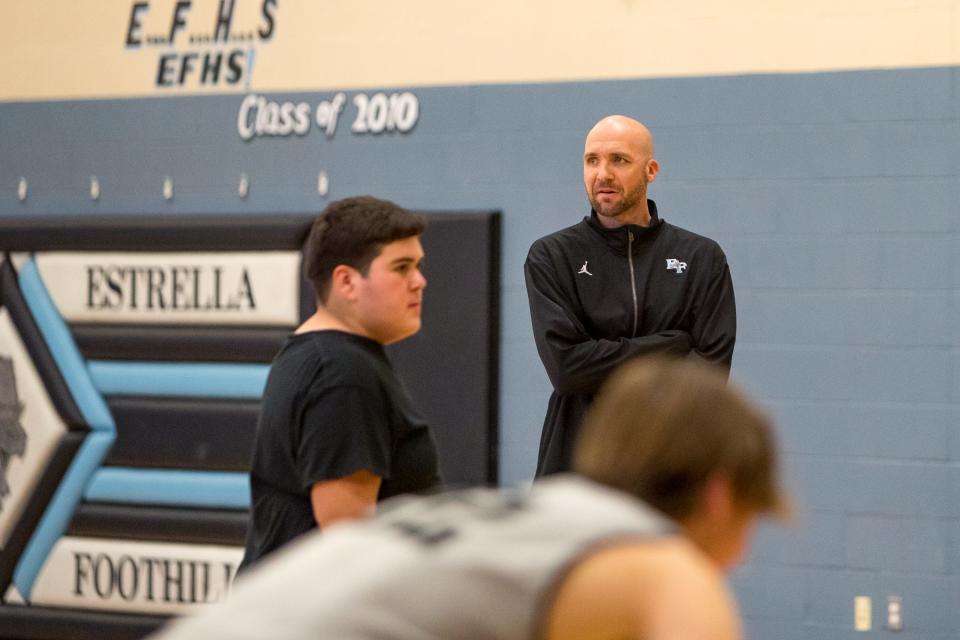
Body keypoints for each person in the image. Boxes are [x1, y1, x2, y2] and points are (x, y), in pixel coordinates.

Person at [151, 357, 786, 640]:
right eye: (757, 520)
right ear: (721, 494)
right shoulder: (656, 563)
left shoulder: (537, 522)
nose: (741, 556)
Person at [525, 115, 737, 476]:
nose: (602, 173)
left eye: (619, 160)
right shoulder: (552, 256)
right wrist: (673, 344)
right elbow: (567, 369)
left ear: (650, 170)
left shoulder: (701, 258)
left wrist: (601, 357)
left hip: (669, 464)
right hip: (578, 463)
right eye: (592, 160)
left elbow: (708, 377)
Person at [238, 196, 442, 571]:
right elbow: (349, 542)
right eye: (402, 267)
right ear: (347, 281)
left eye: (418, 265)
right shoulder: (343, 374)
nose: (419, 281)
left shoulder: (317, 356)